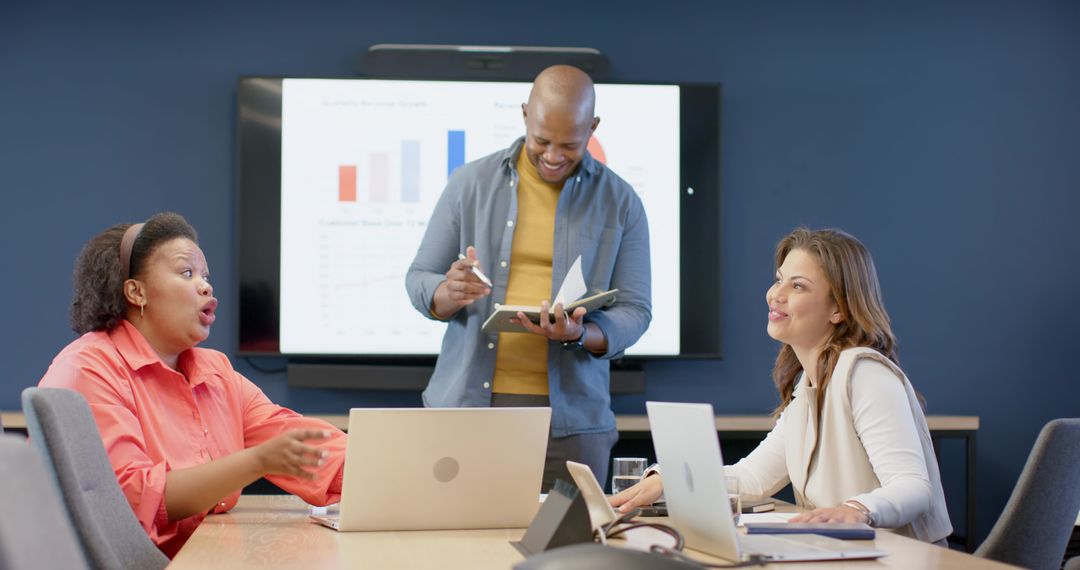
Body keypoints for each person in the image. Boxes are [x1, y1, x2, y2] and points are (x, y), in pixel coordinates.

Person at [611, 228, 953, 545]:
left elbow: (913, 487)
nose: (775, 295)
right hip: (844, 554)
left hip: (901, 557)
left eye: (798, 286)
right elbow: (753, 477)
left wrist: (856, 509)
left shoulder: (865, 373)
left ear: (838, 309)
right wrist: (668, 480)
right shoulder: (809, 384)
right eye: (779, 280)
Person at [38, 212, 347, 557]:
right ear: (136, 291)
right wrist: (255, 462)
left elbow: (298, 443)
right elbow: (130, 500)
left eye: (205, 276)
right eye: (187, 273)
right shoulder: (88, 367)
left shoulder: (215, 371)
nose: (205, 286)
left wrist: (378, 467)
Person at [406, 65, 652, 491]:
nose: (553, 156)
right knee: (456, 535)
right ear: (525, 115)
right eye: (542, 141)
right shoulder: (470, 183)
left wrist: (581, 333)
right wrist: (448, 292)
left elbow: (636, 310)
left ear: (592, 127)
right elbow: (419, 279)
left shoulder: (621, 201)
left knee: (569, 537)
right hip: (467, 410)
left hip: (572, 423)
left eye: (569, 145)